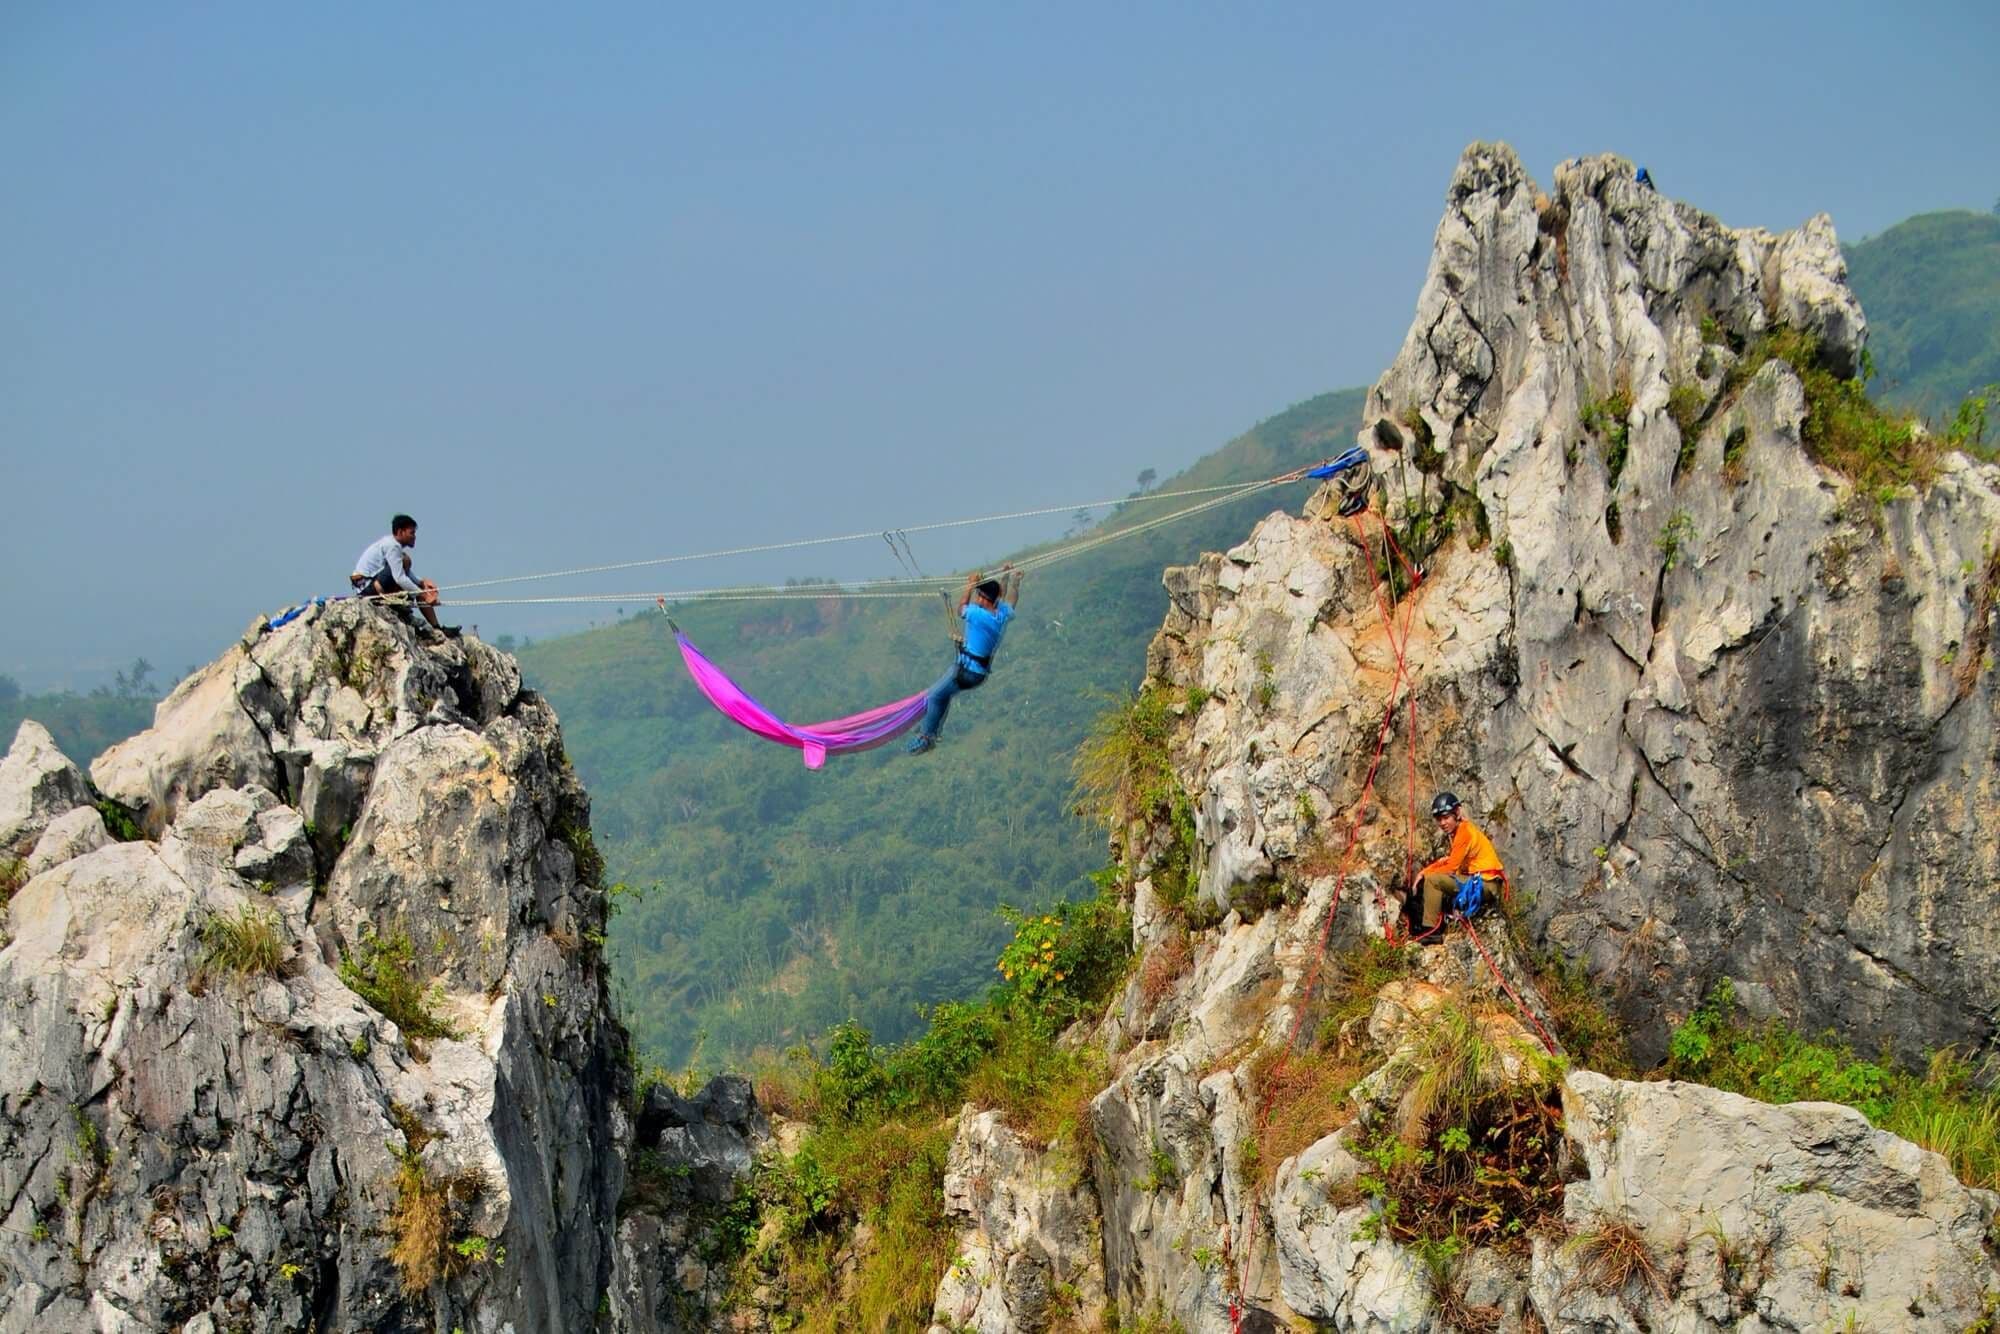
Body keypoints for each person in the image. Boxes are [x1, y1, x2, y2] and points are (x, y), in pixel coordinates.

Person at [907, 563, 1021, 754]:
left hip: (966, 671)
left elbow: (961, 609)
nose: (977, 599)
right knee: (943, 695)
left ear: (985, 599)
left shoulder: (978, 615)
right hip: (975, 672)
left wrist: (969, 585)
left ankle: (927, 737)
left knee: (934, 695)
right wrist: (1011, 579)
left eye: (979, 596)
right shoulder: (1001, 614)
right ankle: (931, 731)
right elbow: (1009, 599)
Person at [1406, 791, 1505, 943]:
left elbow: (1451, 868)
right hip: (1483, 883)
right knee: (1436, 878)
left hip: (1485, 884)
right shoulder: (1461, 831)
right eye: (1439, 819)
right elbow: (1449, 861)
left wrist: (1425, 876)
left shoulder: (1464, 833)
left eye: (1446, 817)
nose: (1443, 823)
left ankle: (1431, 931)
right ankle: (1439, 922)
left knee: (1433, 881)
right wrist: (1425, 871)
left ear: (1457, 813)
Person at [351, 514, 457, 636]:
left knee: (406, 563)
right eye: (411, 533)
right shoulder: (392, 546)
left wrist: (422, 582)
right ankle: (391, 600)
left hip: (371, 585)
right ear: (400, 532)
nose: (414, 537)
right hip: (368, 589)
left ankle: (437, 628)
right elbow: (399, 578)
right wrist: (424, 594)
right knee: (406, 561)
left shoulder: (392, 544)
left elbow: (402, 571)